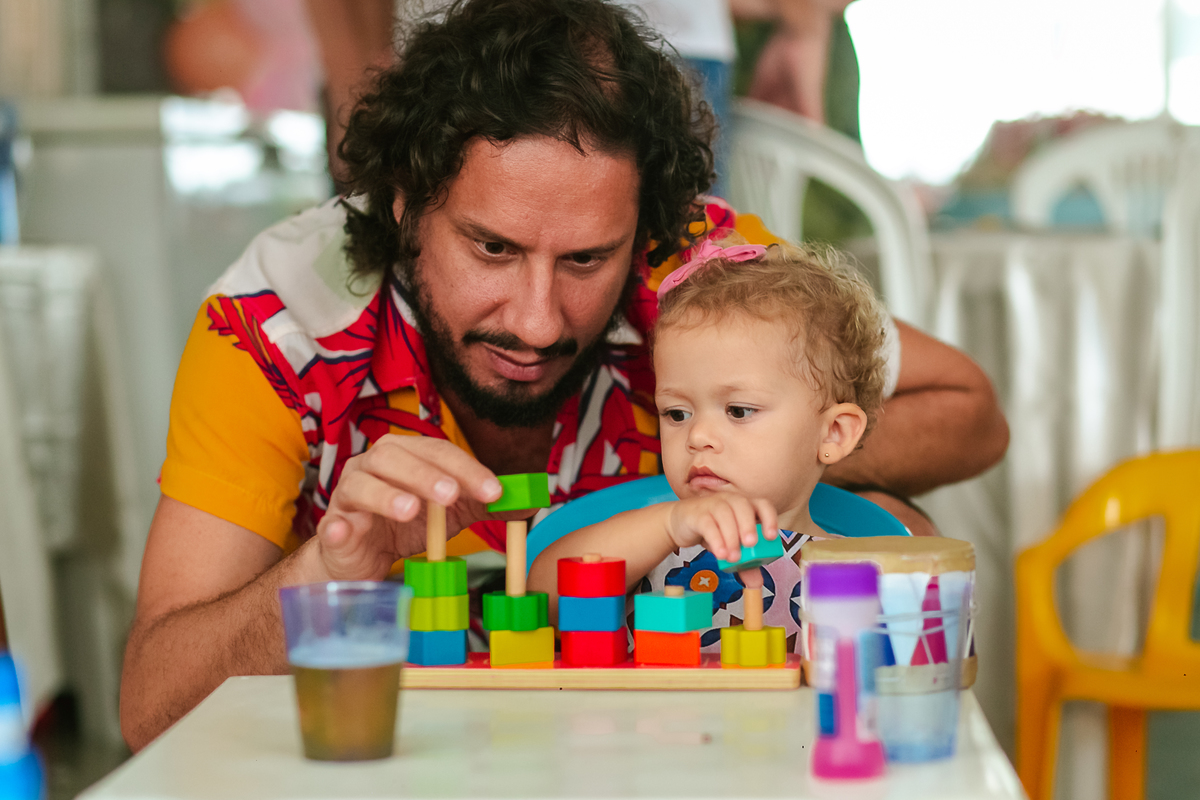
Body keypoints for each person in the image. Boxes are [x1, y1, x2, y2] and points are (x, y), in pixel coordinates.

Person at [119, 0, 1008, 752]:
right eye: (492, 248)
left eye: (587, 259)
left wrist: (750, 459)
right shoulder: (278, 324)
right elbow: (149, 708)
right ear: (403, 201)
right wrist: (329, 567)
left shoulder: (701, 280)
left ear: (646, 233)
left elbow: (969, 410)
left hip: (660, 749)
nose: (538, 320)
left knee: (900, 527)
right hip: (392, 756)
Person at [528, 232, 887, 651]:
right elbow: (543, 599)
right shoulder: (652, 546)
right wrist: (668, 525)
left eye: (738, 411)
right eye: (677, 414)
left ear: (833, 433)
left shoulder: (858, 573)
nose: (697, 437)